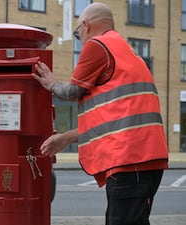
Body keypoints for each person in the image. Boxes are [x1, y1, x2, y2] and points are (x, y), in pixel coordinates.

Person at [32, 2, 169, 225]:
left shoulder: (97, 45)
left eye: (78, 34)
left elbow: (73, 91)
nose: (81, 39)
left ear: (86, 26)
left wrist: (50, 83)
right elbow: (109, 122)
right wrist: (65, 139)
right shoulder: (127, 52)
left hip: (130, 160)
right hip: (142, 160)